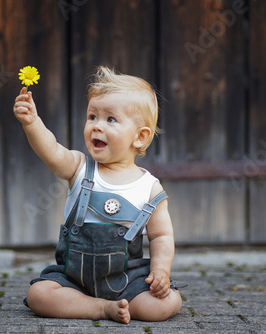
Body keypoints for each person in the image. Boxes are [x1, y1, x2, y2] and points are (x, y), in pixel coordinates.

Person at [13, 66, 182, 324]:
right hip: (74, 279)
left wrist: (161, 271)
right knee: (39, 294)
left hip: (126, 279)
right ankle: (100, 308)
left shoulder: (149, 188)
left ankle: (121, 304)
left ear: (140, 137)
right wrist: (32, 123)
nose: (96, 126)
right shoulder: (79, 167)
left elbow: (161, 236)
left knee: (168, 302)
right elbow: (52, 151)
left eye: (110, 119)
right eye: (92, 116)